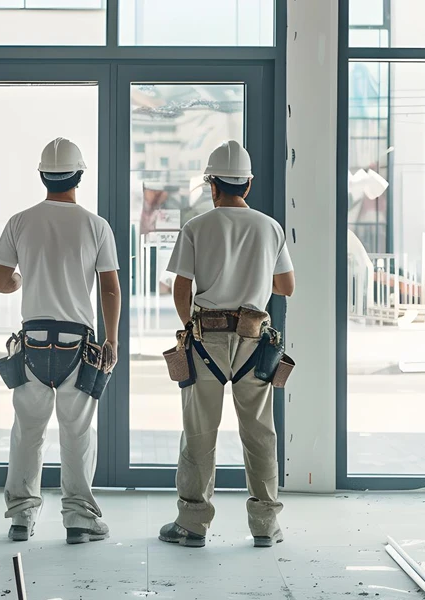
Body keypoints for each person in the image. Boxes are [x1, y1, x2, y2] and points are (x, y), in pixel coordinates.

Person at [157, 140, 295, 549]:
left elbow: (181, 288)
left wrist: (190, 328)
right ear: (248, 185)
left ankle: (193, 524)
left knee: (199, 431)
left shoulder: (196, 227)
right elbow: (286, 286)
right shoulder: (269, 228)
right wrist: (252, 275)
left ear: (211, 185)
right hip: (254, 340)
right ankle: (265, 526)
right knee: (259, 432)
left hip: (206, 340)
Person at [0, 137, 121, 545]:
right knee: (77, 433)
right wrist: (111, 340)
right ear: (79, 175)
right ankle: (80, 520)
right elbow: (110, 289)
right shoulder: (95, 225)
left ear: (43, 175)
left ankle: (20, 518)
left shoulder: (20, 221)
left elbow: (0, 281)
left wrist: (24, 277)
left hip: (31, 344)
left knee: (28, 431)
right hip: (77, 345)